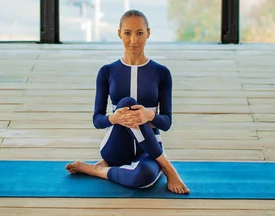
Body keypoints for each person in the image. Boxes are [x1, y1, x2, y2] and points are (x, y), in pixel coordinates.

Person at [66, 10, 189, 194]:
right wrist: (113, 119)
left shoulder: (161, 73)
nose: (134, 40)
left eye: (140, 33)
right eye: (127, 33)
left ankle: (96, 169)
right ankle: (168, 167)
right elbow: (97, 119)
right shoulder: (107, 71)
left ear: (148, 32)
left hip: (149, 149)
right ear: (119, 33)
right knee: (127, 103)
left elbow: (167, 122)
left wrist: (149, 115)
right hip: (116, 148)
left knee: (143, 178)